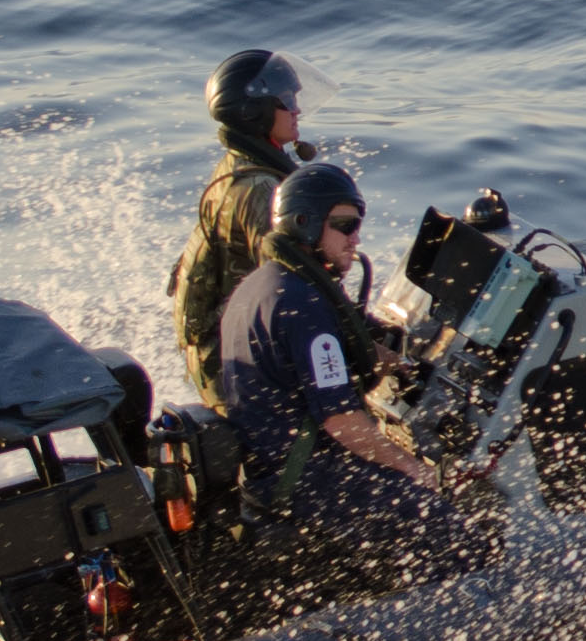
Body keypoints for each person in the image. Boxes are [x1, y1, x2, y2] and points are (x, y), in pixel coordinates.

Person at [213, 161, 483, 600]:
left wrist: (387, 358)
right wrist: (411, 466)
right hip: (305, 476)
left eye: (357, 225)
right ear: (306, 224)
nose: (356, 237)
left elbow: (301, 358)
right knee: (451, 533)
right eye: (344, 225)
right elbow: (342, 421)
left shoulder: (261, 285)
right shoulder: (304, 305)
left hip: (265, 467)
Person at [171, 47, 305, 407]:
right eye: (288, 100)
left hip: (225, 352)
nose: (298, 110)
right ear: (254, 112)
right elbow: (292, 285)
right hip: (234, 370)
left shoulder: (240, 164)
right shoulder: (260, 190)